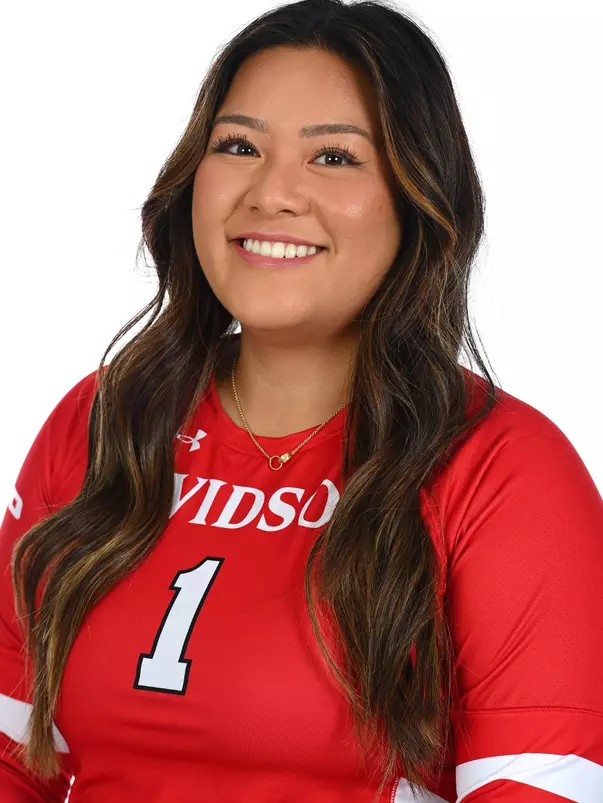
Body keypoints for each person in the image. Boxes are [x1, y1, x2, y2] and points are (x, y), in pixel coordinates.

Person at [2, 0, 602, 800]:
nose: (271, 193)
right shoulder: (104, 423)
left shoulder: (504, 470)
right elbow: (13, 757)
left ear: (417, 197)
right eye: (238, 145)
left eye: (334, 159)